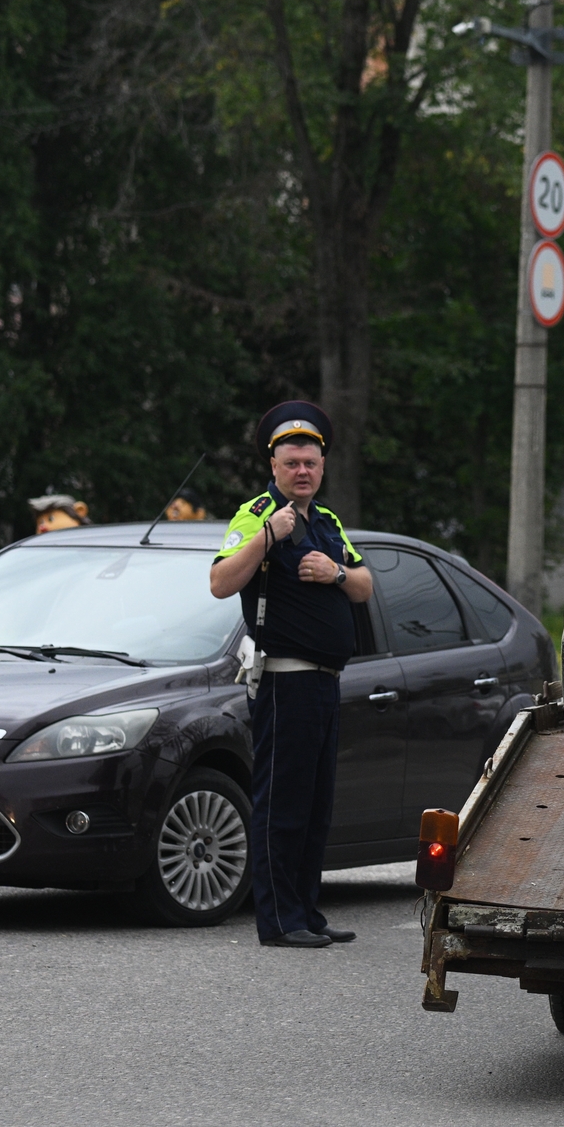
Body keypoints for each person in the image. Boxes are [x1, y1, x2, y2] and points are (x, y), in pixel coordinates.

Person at [210, 401, 374, 948]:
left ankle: (306, 909)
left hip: (324, 681)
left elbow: (365, 586)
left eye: (310, 462)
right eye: (291, 463)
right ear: (273, 467)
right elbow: (220, 581)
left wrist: (335, 572)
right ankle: (279, 919)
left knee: (316, 804)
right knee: (282, 801)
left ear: (321, 467)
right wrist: (269, 537)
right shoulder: (256, 513)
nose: (302, 471)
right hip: (284, 680)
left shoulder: (325, 521)